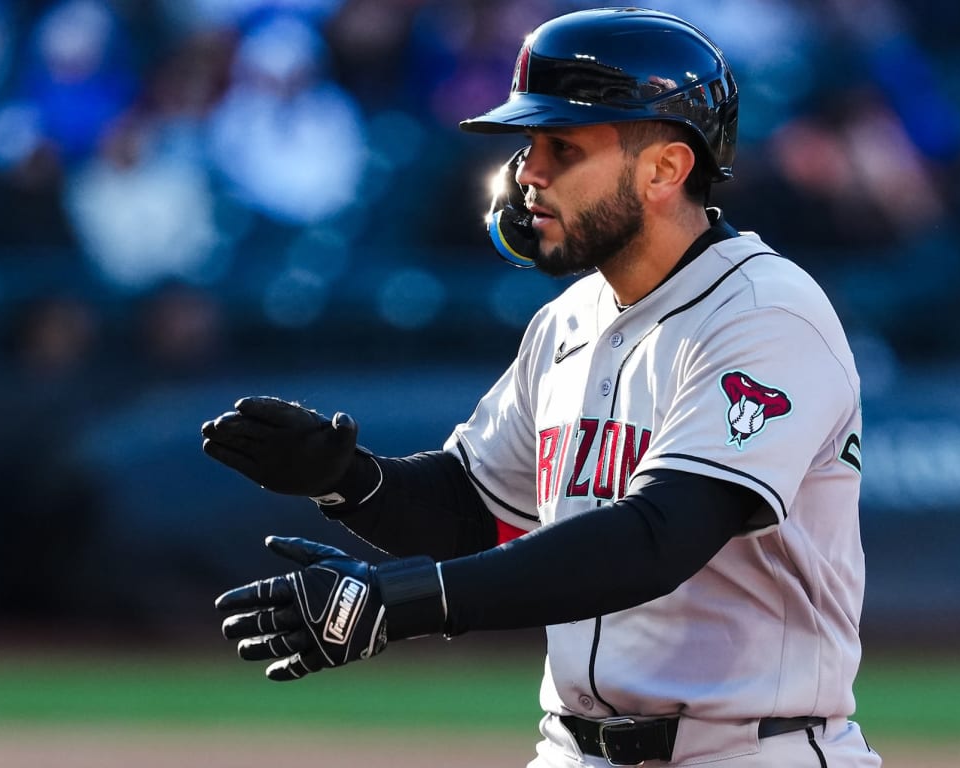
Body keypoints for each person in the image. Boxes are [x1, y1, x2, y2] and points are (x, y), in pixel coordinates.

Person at [201, 8, 877, 767]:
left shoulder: (765, 312)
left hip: (749, 752)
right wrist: (348, 482)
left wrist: (405, 602)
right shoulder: (569, 320)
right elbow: (472, 510)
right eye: (529, 144)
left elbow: (658, 539)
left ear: (664, 169)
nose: (528, 171)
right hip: (569, 749)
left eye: (563, 146)